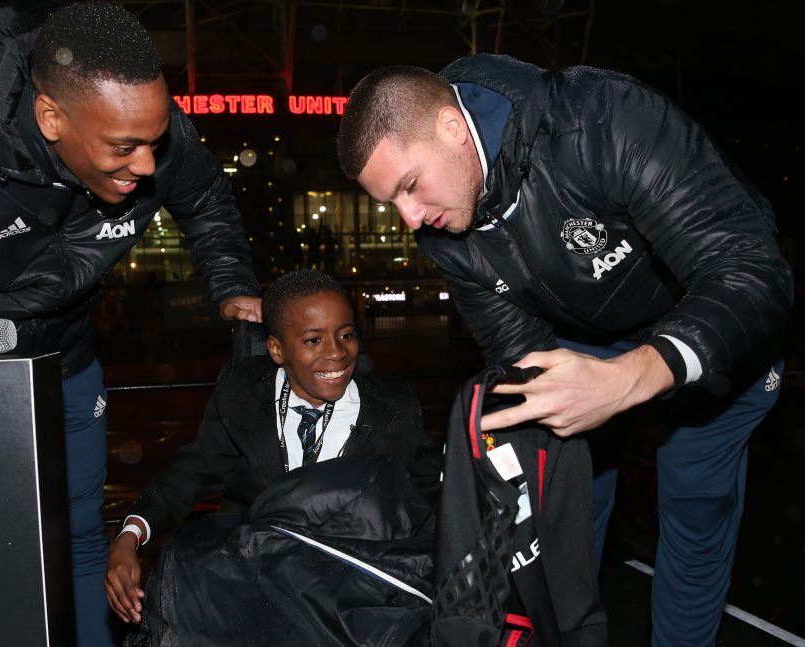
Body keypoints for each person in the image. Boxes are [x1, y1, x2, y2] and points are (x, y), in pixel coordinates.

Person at [336, 57, 793, 646]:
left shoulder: (602, 121)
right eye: (389, 204)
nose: (410, 218)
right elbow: (518, 347)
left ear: (452, 126)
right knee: (559, 502)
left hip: (716, 318)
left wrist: (637, 374)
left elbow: (754, 272)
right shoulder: (444, 226)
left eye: (409, 186)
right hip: (586, 337)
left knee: (695, 508)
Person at [0, 3, 261, 646]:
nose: (149, 164)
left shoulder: (150, 130)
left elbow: (205, 198)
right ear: (51, 118)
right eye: (125, 148)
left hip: (68, 362)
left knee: (79, 531)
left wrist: (233, 288)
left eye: (155, 142)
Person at [103, 269, 442, 625]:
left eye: (346, 334)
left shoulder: (394, 409)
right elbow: (192, 473)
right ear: (277, 349)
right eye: (314, 340)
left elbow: (433, 495)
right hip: (254, 592)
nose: (338, 353)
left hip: (350, 608)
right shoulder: (242, 392)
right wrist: (129, 537)